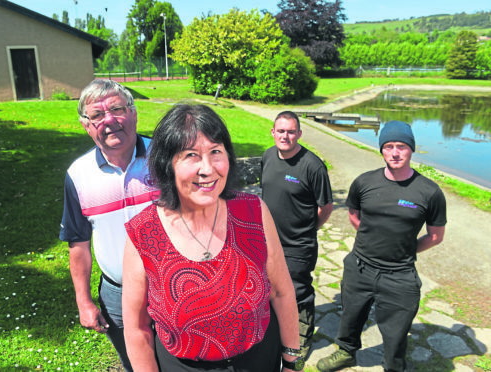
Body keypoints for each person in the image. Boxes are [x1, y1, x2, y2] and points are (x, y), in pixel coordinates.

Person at [122, 104, 305, 372]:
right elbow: (138, 330)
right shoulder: (144, 233)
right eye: (191, 155)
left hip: (259, 360)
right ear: (167, 164)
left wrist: (291, 360)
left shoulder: (253, 212)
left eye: (216, 152)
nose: (207, 169)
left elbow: (282, 292)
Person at [317, 120, 447, 372]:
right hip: (360, 267)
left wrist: (404, 250)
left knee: (396, 330)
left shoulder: (429, 192)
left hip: (399, 274)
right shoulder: (365, 182)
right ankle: (346, 352)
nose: (395, 152)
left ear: (411, 149)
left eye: (401, 146)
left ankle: (392, 367)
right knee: (351, 316)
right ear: (382, 150)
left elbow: (435, 236)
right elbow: (354, 215)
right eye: (388, 146)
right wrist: (371, 239)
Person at [59, 79, 159, 372]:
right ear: (86, 125)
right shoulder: (78, 175)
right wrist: (83, 301)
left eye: (117, 109)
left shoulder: (165, 156)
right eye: (98, 115)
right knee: (135, 365)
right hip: (117, 293)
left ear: (134, 112)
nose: (110, 120)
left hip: (173, 286)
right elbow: (78, 244)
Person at [261, 111, 334, 357]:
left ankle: (302, 337)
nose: (285, 136)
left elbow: (326, 207)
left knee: (298, 292)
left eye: (291, 131)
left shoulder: (313, 166)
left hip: (298, 245)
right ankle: (276, 328)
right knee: (271, 287)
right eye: (280, 131)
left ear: (299, 134)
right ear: (273, 132)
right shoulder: (268, 156)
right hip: (269, 240)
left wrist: (310, 228)